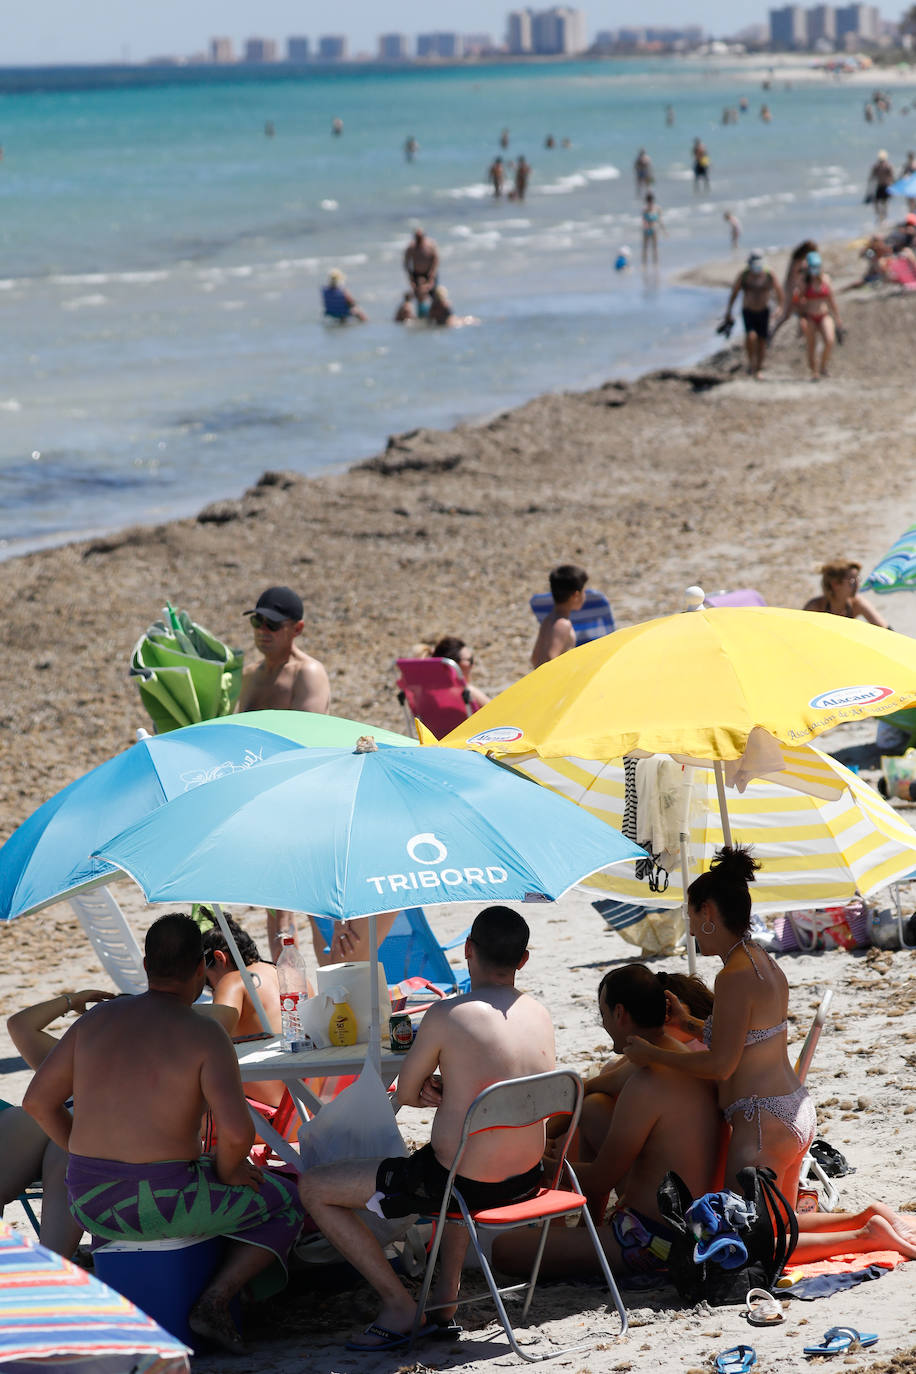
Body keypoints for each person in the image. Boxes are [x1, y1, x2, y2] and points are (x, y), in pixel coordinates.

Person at [23, 914, 304, 1354]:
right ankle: (216, 1299)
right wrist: (229, 1171)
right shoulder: (203, 1031)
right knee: (288, 1201)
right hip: (165, 1202)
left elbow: (37, 1102)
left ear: (145, 963)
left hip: (88, 1203)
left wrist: (81, 1153)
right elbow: (236, 1131)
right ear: (199, 969)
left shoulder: (95, 1022)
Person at [298, 906, 555, 1351]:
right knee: (464, 1159)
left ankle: (398, 1304)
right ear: (524, 959)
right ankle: (444, 1300)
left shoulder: (447, 1015)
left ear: (468, 949)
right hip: (527, 1181)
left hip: (463, 1183)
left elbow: (408, 1091)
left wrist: (435, 1087)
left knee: (315, 1187)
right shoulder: (541, 1013)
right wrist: (458, 1086)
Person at [493, 965, 722, 1281]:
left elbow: (600, 1180)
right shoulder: (677, 1057)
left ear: (620, 1013)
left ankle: (582, 1237)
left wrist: (533, 1163)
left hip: (655, 1242)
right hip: (694, 1226)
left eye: (602, 1014)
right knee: (594, 1108)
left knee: (504, 1249)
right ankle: (586, 1233)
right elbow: (596, 1089)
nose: (602, 1023)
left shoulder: (646, 1082)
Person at [623, 847, 815, 1207]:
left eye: (690, 915)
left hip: (762, 1124)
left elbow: (720, 1065)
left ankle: (873, 1226)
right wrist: (687, 1023)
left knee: (747, 1242)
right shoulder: (761, 962)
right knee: (779, 1238)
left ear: (707, 912)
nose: (691, 927)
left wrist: (652, 1054)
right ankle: (871, 1225)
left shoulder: (733, 976)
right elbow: (748, 1040)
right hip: (790, 1109)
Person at [1, 989, 113, 1257]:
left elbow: (221, 1015)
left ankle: (51, 1264)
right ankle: (52, 1265)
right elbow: (20, 1025)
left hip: (77, 1152)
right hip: (53, 1143)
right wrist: (71, 1001)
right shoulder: (73, 1064)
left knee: (71, 1147)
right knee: (36, 1122)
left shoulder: (146, 1074)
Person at [201, 914, 288, 1113]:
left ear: (219, 958)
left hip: (265, 1114)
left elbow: (207, 1042)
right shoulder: (286, 973)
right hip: (306, 1107)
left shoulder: (234, 981)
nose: (212, 990)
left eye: (207, 981)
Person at [722, 250, 784, 379]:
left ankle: (758, 369)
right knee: (751, 337)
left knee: (762, 341)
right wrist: (728, 312)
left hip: (764, 311)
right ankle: (751, 364)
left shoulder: (768, 274)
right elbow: (734, 293)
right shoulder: (744, 275)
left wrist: (779, 308)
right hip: (748, 311)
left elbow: (779, 292)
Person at [793, 250, 842, 381]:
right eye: (813, 267)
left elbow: (831, 299)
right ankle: (814, 372)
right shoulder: (804, 281)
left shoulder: (826, 279)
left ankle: (823, 367)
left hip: (824, 314)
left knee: (829, 340)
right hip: (810, 316)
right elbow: (797, 300)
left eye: (817, 267)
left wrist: (837, 317)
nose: (815, 270)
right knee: (811, 345)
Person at [531, 563, 587, 668]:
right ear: (576, 595)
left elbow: (534, 658)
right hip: (556, 682)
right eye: (584, 591)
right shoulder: (563, 625)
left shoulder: (548, 620)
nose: (585, 596)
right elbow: (550, 659)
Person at [803, 559, 888, 626]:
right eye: (852, 581)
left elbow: (885, 629)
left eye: (858, 579)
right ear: (835, 584)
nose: (857, 584)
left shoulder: (856, 603)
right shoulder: (816, 607)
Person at [432, 634, 489, 709]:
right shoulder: (468, 692)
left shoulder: (429, 695)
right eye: (470, 660)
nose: (472, 665)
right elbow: (498, 712)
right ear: (454, 666)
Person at [404, 227, 439, 316]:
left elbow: (435, 260)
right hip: (417, 274)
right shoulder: (411, 247)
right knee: (419, 296)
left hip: (429, 273)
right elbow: (406, 263)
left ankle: (435, 315)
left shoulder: (430, 245)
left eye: (420, 237)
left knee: (434, 295)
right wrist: (411, 278)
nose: (418, 239)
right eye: (417, 237)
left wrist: (432, 276)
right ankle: (421, 315)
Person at [866, 149, 895, 222]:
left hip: (885, 186)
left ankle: (884, 216)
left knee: (884, 202)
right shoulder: (877, 166)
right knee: (877, 202)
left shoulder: (887, 166)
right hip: (879, 186)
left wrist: (892, 185)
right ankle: (880, 215)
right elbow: (872, 177)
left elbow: (892, 176)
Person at [641, 193, 663, 267]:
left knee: (655, 248)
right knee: (645, 248)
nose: (650, 202)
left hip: (654, 230)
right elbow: (643, 221)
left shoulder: (657, 208)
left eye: (650, 201)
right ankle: (644, 264)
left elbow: (660, 220)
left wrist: (664, 230)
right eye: (649, 201)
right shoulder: (645, 209)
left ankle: (655, 264)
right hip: (646, 230)